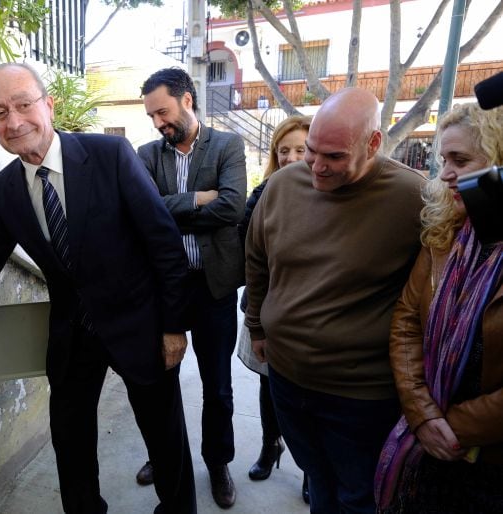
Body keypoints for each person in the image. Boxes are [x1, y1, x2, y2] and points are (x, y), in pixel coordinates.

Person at [0, 63, 197, 514]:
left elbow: (165, 245)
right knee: (70, 449)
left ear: (48, 105)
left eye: (24, 105)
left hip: (141, 328)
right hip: (73, 341)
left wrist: (173, 327)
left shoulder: (110, 155)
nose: (14, 122)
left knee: (165, 438)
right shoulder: (5, 191)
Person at [245, 87, 426, 514]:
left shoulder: (412, 197)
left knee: (359, 496)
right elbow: (256, 258)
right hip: (287, 379)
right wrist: (256, 325)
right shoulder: (283, 184)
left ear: (373, 144)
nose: (317, 167)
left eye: (334, 157)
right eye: (311, 152)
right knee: (318, 479)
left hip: (359, 395)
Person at [375, 102, 503, 513]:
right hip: (430, 446)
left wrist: (451, 428)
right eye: (443, 159)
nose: (445, 173)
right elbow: (407, 322)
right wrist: (423, 415)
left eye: (460, 160)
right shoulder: (444, 234)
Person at [135, 67, 247, 509]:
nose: (158, 123)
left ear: (187, 100)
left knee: (217, 385)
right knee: (160, 382)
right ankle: (163, 457)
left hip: (214, 287)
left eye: (162, 111)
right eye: (152, 116)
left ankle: (217, 462)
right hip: (166, 289)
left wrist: (172, 209)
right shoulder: (147, 155)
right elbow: (143, 213)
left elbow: (233, 206)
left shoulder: (227, 145)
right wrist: (202, 197)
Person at [236, 115, 312, 504]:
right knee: (270, 386)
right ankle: (271, 446)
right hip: (265, 310)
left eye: (300, 149)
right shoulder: (263, 192)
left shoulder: (328, 193)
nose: (291, 157)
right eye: (283, 151)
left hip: (309, 318)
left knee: (310, 394)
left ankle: (309, 467)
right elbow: (245, 245)